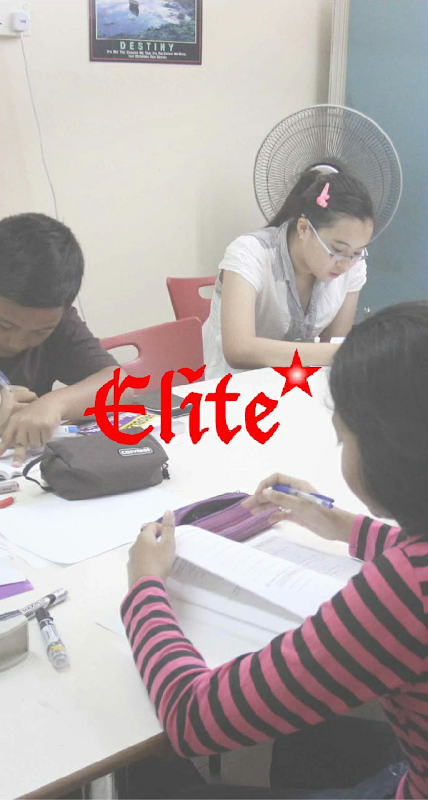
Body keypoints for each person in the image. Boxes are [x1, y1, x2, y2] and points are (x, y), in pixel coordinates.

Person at [121, 301, 428, 799]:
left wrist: (145, 588)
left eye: (343, 440)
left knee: (171, 791)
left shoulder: (404, 591)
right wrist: (344, 526)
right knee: (301, 742)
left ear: (388, 453)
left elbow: (192, 717)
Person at [0, 213, 128, 465]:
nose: (17, 343)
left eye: (39, 332)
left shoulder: (56, 319)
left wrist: (56, 403)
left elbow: (120, 385)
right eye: (4, 325)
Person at [202, 170, 374, 379]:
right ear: (304, 228)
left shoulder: (353, 266)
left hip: (299, 384)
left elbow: (334, 345)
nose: (346, 264)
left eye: (357, 253)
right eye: (337, 250)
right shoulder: (250, 253)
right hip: (233, 387)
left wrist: (340, 353)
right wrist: (340, 352)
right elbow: (239, 349)